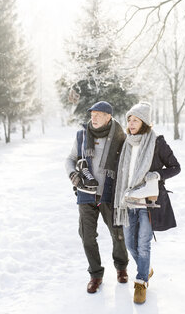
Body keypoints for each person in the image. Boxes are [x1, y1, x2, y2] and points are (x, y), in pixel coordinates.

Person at [113, 101, 181, 304]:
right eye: (130, 120)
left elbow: (175, 167)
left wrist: (157, 175)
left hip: (148, 203)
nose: (132, 123)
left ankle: (141, 281)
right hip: (128, 201)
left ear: (145, 122)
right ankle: (146, 267)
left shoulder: (157, 141)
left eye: (136, 120)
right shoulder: (127, 143)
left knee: (143, 244)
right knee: (130, 243)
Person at [65, 101, 129, 294]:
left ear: (108, 116)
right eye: (92, 113)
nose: (94, 116)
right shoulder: (81, 135)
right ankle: (95, 274)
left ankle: (121, 267)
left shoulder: (121, 137)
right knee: (87, 236)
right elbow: (70, 159)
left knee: (117, 234)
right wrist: (73, 175)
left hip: (110, 194)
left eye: (99, 114)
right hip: (86, 194)